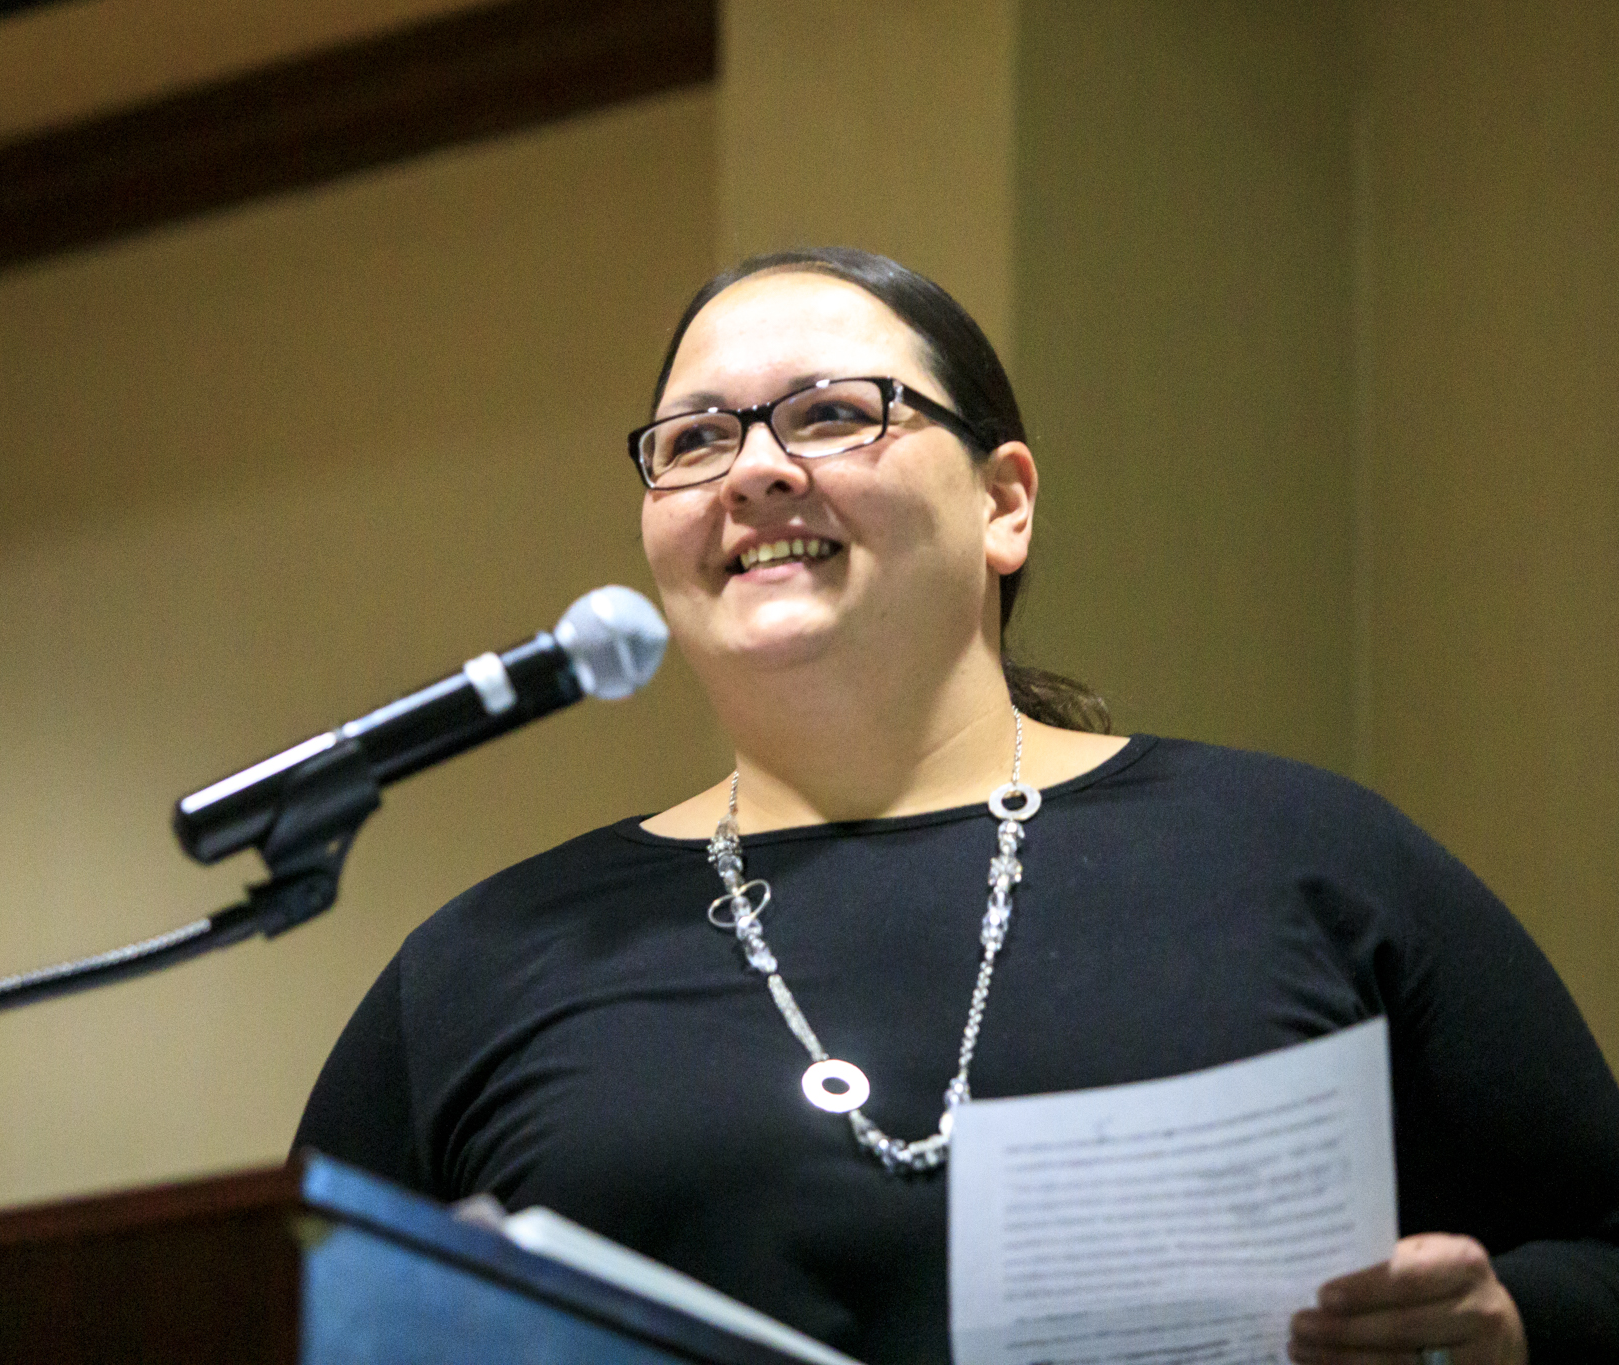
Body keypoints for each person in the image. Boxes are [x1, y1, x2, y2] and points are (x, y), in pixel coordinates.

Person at [294, 248, 1619, 1363]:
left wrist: (1509, 1326)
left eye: (830, 414)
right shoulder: (489, 963)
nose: (753, 470)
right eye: (694, 440)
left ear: (1004, 505)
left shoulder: (1300, 858)